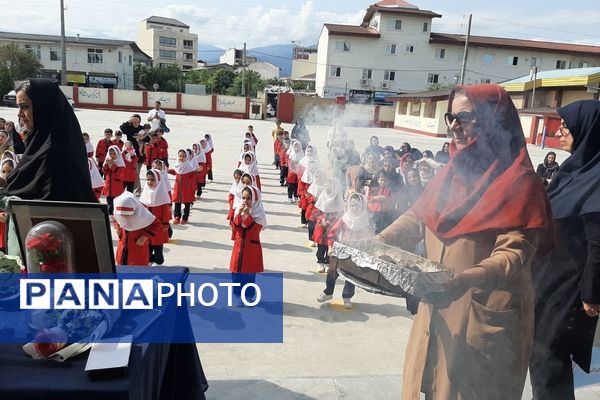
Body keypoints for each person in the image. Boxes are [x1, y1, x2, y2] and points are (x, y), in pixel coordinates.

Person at [376, 84, 551, 400]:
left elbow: (514, 253)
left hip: (482, 317)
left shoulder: (519, 181)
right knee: (427, 385)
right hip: (438, 307)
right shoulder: (452, 172)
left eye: (465, 117)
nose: (454, 126)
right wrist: (378, 242)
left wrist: (466, 279)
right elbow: (419, 216)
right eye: (450, 117)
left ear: (493, 120)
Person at [530, 100, 600, 400]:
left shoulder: (597, 178)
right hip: (547, 280)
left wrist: (591, 294)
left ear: (588, 130)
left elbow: (598, 242)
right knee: (540, 356)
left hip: (569, 289)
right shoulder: (573, 171)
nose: (559, 132)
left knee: (549, 358)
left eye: (566, 126)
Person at [0, 79, 96, 203]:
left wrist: (5, 198)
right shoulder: (39, 141)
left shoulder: (54, 150)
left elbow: (42, 200)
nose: (19, 114)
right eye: (19, 107)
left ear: (43, 106)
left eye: (25, 107)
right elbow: (25, 186)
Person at [318, 193, 373, 308]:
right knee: (332, 271)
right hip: (341, 249)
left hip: (355, 252)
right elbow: (332, 233)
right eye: (352, 205)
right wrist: (330, 247)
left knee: (351, 275)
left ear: (362, 206)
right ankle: (328, 292)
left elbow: (369, 238)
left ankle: (347, 296)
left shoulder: (365, 221)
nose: (354, 208)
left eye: (357, 206)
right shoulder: (345, 219)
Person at [229, 185, 267, 306]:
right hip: (239, 247)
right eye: (243, 198)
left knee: (249, 275)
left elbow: (253, 231)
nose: (245, 201)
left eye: (249, 198)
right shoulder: (238, 210)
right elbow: (235, 228)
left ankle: (248, 295)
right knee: (236, 273)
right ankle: (237, 295)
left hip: (251, 249)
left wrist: (247, 217)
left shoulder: (259, 214)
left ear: (255, 199)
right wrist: (239, 216)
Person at [113, 191, 162, 266]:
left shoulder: (143, 215)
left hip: (138, 249)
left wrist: (144, 237)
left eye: (127, 214)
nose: (124, 217)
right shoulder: (117, 212)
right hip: (122, 248)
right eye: (122, 214)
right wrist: (117, 227)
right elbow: (115, 218)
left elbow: (157, 224)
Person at [313, 176, 345, 273]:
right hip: (321, 228)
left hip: (332, 229)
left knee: (330, 248)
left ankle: (327, 263)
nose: (327, 189)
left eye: (329, 188)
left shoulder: (337, 199)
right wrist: (320, 220)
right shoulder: (323, 196)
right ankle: (320, 262)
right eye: (326, 187)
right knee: (321, 248)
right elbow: (316, 212)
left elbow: (340, 215)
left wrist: (331, 222)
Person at [140, 169, 172, 265]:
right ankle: (149, 260)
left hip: (159, 225)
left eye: (152, 180)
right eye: (148, 180)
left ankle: (159, 260)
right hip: (147, 225)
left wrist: (166, 224)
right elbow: (141, 207)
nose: (150, 182)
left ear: (158, 180)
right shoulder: (145, 192)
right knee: (148, 244)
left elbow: (166, 211)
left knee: (157, 244)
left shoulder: (162, 193)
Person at [119, 114, 146, 195]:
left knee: (136, 172)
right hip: (128, 154)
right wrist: (129, 121)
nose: (135, 123)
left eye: (137, 122)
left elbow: (148, 138)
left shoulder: (142, 129)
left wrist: (142, 138)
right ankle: (134, 189)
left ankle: (136, 189)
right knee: (131, 172)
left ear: (140, 122)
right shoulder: (129, 127)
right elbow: (122, 129)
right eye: (133, 122)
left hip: (139, 154)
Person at [169, 149, 196, 225]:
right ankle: (177, 217)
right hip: (178, 187)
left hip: (186, 188)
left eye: (183, 156)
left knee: (187, 203)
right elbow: (175, 172)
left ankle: (185, 218)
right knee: (177, 202)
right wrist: (167, 170)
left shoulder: (189, 167)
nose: (181, 158)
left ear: (186, 157)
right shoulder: (177, 165)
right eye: (180, 156)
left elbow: (193, 176)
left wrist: (197, 171)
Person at [102, 145, 125, 218]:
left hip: (116, 187)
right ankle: (110, 217)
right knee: (109, 202)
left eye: (114, 154)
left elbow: (119, 174)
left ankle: (116, 216)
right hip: (109, 186)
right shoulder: (108, 161)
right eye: (111, 154)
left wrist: (112, 165)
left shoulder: (120, 163)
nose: (112, 156)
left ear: (117, 154)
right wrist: (106, 165)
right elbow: (104, 171)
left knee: (116, 202)